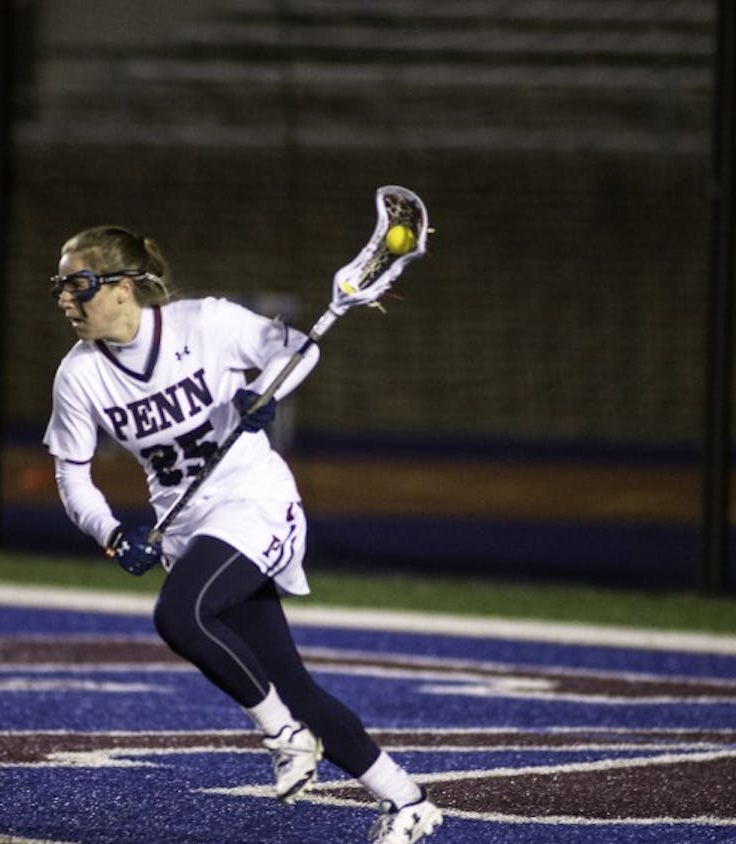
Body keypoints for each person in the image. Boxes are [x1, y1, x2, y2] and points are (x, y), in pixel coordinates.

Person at [42, 225, 443, 844]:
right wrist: (115, 534)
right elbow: (73, 477)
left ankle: (284, 738)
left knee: (179, 616)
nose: (66, 299)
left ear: (123, 289)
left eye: (79, 285)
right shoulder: (79, 377)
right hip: (190, 527)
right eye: (62, 286)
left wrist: (263, 393)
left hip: (255, 501)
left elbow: (298, 350)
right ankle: (408, 801)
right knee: (294, 686)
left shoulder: (204, 323)